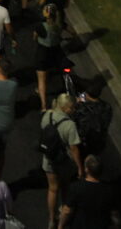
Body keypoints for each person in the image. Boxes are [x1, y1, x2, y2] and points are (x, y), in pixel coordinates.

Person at [42, 93, 85, 229]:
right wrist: (80, 167)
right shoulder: (70, 125)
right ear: (66, 108)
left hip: (48, 159)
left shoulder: (46, 116)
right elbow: (74, 149)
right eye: (72, 108)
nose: (73, 110)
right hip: (64, 162)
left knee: (52, 189)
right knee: (65, 187)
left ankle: (51, 219)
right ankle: (63, 211)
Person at [58, 155, 121, 228]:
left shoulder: (76, 187)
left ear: (86, 170)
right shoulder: (109, 189)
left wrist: (60, 225)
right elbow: (114, 214)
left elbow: (67, 211)